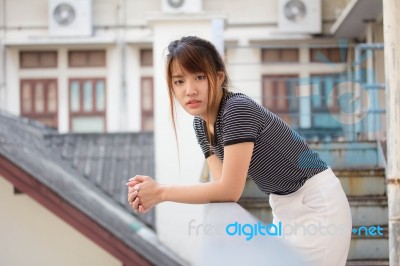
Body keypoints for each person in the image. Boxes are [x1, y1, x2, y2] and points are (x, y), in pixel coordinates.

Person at [127, 36, 352, 266]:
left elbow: (230, 190)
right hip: (284, 207)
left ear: (219, 77)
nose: (190, 90)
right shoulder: (201, 124)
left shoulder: (236, 109)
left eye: (199, 77)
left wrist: (161, 192)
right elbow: (219, 183)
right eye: (179, 81)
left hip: (316, 204)